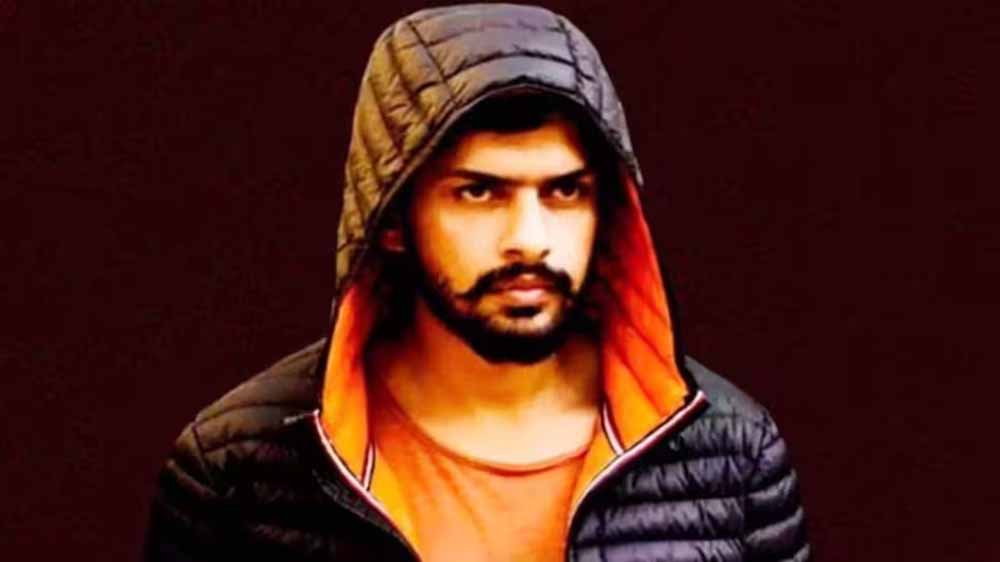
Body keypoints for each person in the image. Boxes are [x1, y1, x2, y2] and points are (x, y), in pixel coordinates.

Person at [143, 4, 810, 561]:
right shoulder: (236, 470)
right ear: (392, 219)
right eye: (479, 192)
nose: (530, 238)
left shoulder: (734, 455)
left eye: (565, 191)